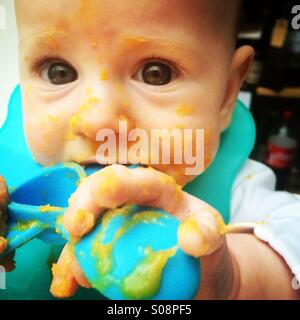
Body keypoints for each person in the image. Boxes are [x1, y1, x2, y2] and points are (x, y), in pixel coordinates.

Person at [1, 0, 300, 299]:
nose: (97, 120)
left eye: (156, 73)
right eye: (59, 72)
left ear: (226, 93)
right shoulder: (11, 175)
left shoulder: (238, 190)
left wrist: (232, 280)